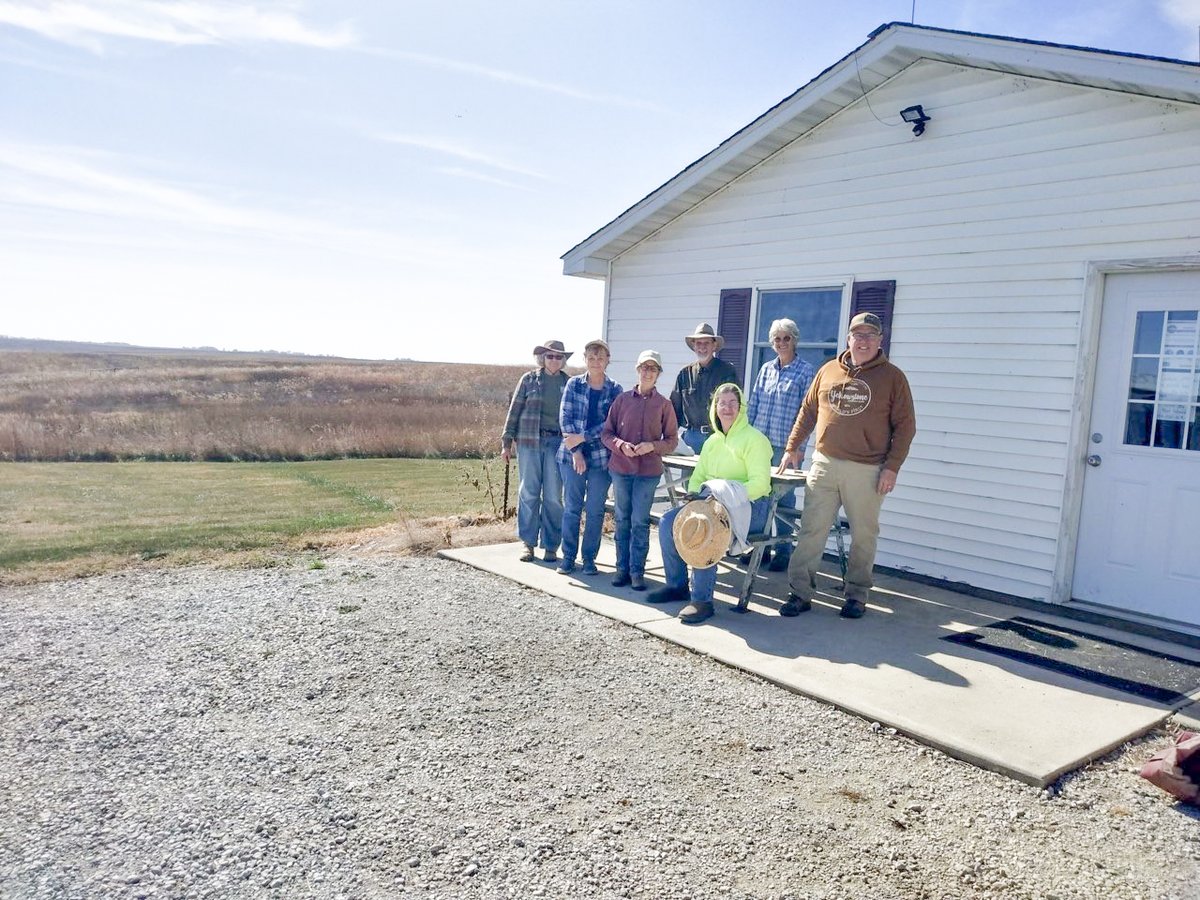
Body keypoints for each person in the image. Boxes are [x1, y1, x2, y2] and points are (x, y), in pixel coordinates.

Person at [776, 312, 916, 619]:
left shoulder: (893, 378)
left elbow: (905, 427)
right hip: (824, 463)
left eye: (870, 335)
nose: (863, 341)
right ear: (848, 339)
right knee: (812, 531)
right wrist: (792, 447)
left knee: (864, 535)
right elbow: (808, 411)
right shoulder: (828, 371)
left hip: (868, 470)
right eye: (858, 334)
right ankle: (799, 592)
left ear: (880, 340)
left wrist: (892, 467)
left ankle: (856, 595)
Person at [648, 383, 773, 624]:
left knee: (708, 526)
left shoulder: (755, 440)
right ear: (715, 407)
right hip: (712, 503)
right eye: (721, 403)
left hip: (750, 509)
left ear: (741, 408)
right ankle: (677, 586)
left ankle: (702, 601)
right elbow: (698, 476)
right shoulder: (712, 442)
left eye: (732, 403)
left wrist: (724, 497)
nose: (726, 408)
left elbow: (760, 484)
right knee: (668, 521)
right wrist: (694, 494)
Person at [601, 350, 678, 591]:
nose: (647, 372)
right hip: (621, 468)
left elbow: (673, 440)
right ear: (637, 370)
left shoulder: (664, 405)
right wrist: (621, 445)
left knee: (640, 521)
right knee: (622, 519)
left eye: (652, 368)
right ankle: (621, 569)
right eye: (644, 367)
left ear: (658, 374)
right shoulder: (622, 400)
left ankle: (637, 572)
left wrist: (651, 446)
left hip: (647, 471)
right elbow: (606, 433)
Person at [746, 318, 816, 572]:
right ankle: (758, 549)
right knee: (758, 495)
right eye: (777, 338)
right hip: (760, 445)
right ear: (771, 342)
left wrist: (798, 447)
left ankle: (783, 550)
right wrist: (746, 440)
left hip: (787, 448)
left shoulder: (806, 371)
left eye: (787, 338)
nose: (782, 343)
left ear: (795, 340)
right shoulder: (766, 369)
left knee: (783, 501)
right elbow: (753, 405)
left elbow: (808, 413)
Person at [556, 339, 623, 577]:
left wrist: (583, 437)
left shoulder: (615, 389)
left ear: (608, 361)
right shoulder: (574, 385)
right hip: (571, 456)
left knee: (595, 510)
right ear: (585, 360)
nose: (596, 362)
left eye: (601, 358)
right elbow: (565, 419)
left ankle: (589, 559)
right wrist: (576, 451)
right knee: (572, 508)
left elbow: (611, 424)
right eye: (591, 358)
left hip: (601, 457)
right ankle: (568, 557)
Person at [501, 339, 571, 563]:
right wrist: (506, 442)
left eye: (558, 356)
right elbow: (514, 412)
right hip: (529, 442)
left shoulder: (569, 383)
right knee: (528, 492)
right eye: (550, 356)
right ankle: (527, 544)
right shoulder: (529, 379)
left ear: (563, 360)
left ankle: (551, 545)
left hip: (557, 444)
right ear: (542, 358)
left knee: (553, 496)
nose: (554, 360)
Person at [670, 322, 739, 454]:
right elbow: (674, 410)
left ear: (714, 346)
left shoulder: (727, 371)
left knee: (717, 475)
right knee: (690, 476)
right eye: (698, 343)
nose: (702, 347)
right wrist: (668, 439)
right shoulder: (684, 374)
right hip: (691, 439)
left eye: (706, 343)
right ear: (694, 346)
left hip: (718, 437)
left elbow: (736, 406)